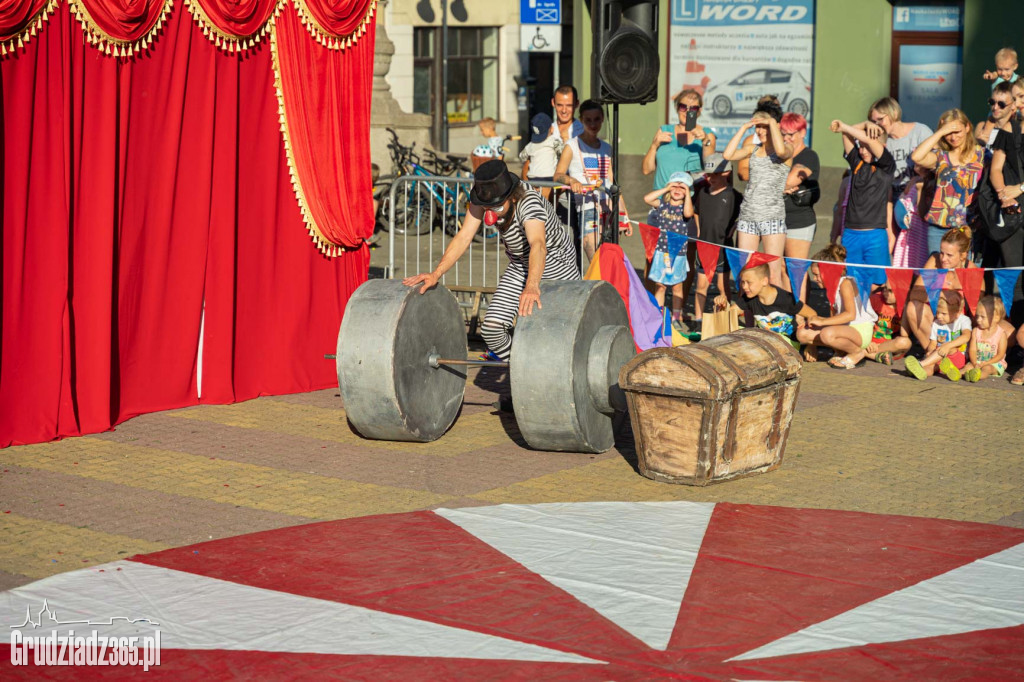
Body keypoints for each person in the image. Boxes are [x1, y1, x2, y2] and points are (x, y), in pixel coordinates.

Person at [403, 160, 580, 368]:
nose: (491, 214)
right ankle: (522, 370)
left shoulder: (529, 203)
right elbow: (464, 236)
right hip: (520, 265)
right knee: (492, 328)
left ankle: (543, 377)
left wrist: (532, 286)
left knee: (551, 333)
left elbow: (538, 245)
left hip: (557, 265)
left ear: (512, 197)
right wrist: (436, 273)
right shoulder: (483, 198)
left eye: (496, 207)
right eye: (486, 207)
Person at [722, 101, 793, 286]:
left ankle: (776, 315)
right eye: (758, 127)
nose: (760, 131)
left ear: (775, 126)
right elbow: (728, 155)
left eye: (764, 126)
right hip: (748, 218)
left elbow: (779, 150)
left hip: (772, 218)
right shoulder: (752, 149)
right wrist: (744, 128)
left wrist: (771, 123)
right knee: (746, 272)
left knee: (774, 274)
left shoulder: (786, 150)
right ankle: (749, 315)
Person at [553, 100, 631, 260]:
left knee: (610, 256)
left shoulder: (607, 148)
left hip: (609, 206)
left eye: (596, 119)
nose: (593, 124)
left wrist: (625, 215)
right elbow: (558, 175)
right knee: (594, 254)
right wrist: (572, 181)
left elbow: (613, 181)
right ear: (581, 120)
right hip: (587, 206)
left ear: (602, 119)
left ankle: (608, 285)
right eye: (588, 120)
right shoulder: (572, 146)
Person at [910, 109, 984, 255]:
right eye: (949, 133)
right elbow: (916, 157)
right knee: (937, 275)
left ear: (967, 127)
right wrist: (940, 132)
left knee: (962, 276)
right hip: (939, 228)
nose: (953, 137)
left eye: (957, 131)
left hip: (967, 228)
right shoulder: (940, 156)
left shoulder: (981, 154)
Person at [831, 119, 895, 283]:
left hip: (874, 234)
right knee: (852, 279)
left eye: (867, 147)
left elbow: (867, 139)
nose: (863, 150)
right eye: (860, 146)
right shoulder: (857, 164)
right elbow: (847, 135)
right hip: (851, 233)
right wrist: (865, 124)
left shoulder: (887, 166)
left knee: (878, 282)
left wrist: (850, 126)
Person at [794, 244, 878, 368]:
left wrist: (822, 322)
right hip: (845, 329)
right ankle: (841, 351)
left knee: (827, 334)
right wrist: (814, 328)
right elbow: (834, 316)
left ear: (829, 272)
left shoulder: (846, 283)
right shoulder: (830, 288)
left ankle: (856, 353)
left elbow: (850, 315)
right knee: (802, 333)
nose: (815, 279)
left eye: (817, 275)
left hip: (860, 329)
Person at [901, 228, 979, 349]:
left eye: (949, 255)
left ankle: (948, 357)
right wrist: (942, 294)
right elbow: (915, 294)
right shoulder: (934, 261)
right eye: (942, 252)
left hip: (959, 326)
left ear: (963, 255)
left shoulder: (972, 271)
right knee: (913, 307)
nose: (943, 259)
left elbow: (976, 314)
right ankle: (933, 354)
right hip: (937, 323)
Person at [714, 263, 814, 347]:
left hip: (787, 343)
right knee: (737, 331)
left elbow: (812, 314)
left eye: (749, 282)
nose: (744, 287)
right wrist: (722, 306)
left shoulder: (786, 299)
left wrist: (811, 346)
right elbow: (727, 316)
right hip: (764, 341)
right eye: (743, 282)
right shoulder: (749, 297)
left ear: (764, 281)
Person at [694, 153, 742, 322]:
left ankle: (724, 317)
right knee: (701, 286)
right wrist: (699, 231)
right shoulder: (703, 193)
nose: (710, 178)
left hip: (724, 247)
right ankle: (699, 319)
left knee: (723, 286)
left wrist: (736, 226)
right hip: (704, 247)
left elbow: (744, 215)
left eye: (715, 174)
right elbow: (696, 212)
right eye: (708, 174)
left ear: (726, 173)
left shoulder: (734, 196)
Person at [643, 171, 694, 327]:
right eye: (674, 187)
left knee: (677, 287)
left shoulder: (685, 208)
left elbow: (688, 213)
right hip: (661, 252)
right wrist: (666, 189)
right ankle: (659, 315)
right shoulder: (662, 204)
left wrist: (687, 192)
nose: (677, 190)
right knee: (661, 286)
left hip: (678, 253)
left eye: (682, 188)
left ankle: (676, 317)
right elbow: (647, 199)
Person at [641, 88, 716, 190]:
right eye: (683, 107)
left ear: (699, 111)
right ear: (677, 107)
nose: (687, 112)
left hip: (690, 201)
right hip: (661, 201)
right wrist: (654, 146)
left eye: (693, 108)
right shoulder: (664, 130)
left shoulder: (707, 134)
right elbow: (646, 170)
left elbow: (711, 166)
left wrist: (705, 141)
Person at [780, 113, 819, 300]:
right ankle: (787, 313)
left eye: (791, 134)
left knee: (796, 269)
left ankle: (799, 315)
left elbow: (790, 180)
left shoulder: (809, 156)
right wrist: (782, 186)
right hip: (777, 219)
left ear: (803, 132)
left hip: (799, 221)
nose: (787, 138)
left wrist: (778, 185)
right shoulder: (779, 155)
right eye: (783, 134)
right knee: (780, 268)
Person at [861, 97, 933, 196]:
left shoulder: (920, 132)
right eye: (873, 122)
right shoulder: (879, 141)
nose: (877, 125)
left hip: (917, 199)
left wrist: (919, 178)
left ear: (894, 113)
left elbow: (936, 165)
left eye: (880, 119)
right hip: (890, 199)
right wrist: (865, 124)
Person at [903, 291, 972, 381]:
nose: (939, 316)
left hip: (957, 357)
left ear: (956, 314)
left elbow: (966, 336)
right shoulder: (937, 323)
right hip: (940, 357)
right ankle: (918, 372)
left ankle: (920, 364)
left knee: (948, 348)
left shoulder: (963, 320)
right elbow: (933, 343)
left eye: (943, 314)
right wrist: (930, 351)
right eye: (938, 312)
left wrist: (948, 345)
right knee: (931, 367)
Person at [892, 167, 932, 269]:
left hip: (921, 232)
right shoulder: (914, 180)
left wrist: (920, 190)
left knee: (917, 266)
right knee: (904, 266)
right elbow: (903, 199)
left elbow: (922, 212)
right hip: (909, 232)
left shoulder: (930, 184)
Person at [864, 283, 912, 365]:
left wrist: (905, 305)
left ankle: (864, 353)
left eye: (890, 291)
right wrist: (867, 342)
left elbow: (904, 334)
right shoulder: (875, 299)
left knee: (906, 342)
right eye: (884, 288)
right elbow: (863, 322)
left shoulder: (906, 307)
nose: (885, 292)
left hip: (888, 346)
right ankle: (872, 355)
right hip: (870, 342)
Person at [964, 296, 1009, 382]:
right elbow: (972, 350)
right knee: (968, 367)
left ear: (996, 317)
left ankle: (977, 376)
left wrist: (986, 363)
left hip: (994, 363)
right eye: (977, 316)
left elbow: (1000, 355)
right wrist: (974, 363)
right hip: (977, 361)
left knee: (987, 369)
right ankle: (959, 373)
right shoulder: (976, 331)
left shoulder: (1001, 334)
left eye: (982, 317)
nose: (978, 320)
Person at [519, 112, 562, 199]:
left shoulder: (531, 145)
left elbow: (522, 156)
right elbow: (562, 152)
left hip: (532, 178)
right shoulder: (553, 141)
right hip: (548, 177)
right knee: (548, 202)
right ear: (552, 129)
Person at [975, 82, 1016, 155]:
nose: (995, 107)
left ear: (1013, 105)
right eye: (992, 102)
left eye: (1001, 104)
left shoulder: (1018, 131)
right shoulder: (981, 127)